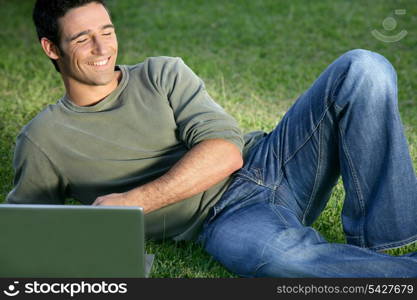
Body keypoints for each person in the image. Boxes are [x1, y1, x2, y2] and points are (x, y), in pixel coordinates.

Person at [6, 0, 417, 277]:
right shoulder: (44, 140)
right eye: (82, 38)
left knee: (364, 67)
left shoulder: (160, 73)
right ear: (51, 48)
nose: (102, 47)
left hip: (272, 162)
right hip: (221, 219)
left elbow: (225, 153)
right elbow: (25, 236)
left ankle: (382, 240)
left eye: (107, 31)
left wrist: (133, 202)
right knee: (278, 257)